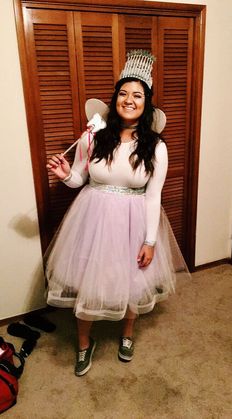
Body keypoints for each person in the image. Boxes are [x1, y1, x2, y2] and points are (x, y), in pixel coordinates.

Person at [46, 50, 189, 377]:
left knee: (132, 280)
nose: (129, 99)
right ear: (115, 99)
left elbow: (154, 197)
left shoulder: (157, 147)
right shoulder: (93, 137)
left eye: (137, 95)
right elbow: (80, 179)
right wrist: (67, 174)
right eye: (123, 93)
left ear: (146, 103)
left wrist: (150, 241)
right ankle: (84, 343)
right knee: (89, 281)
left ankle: (127, 335)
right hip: (92, 219)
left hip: (133, 221)